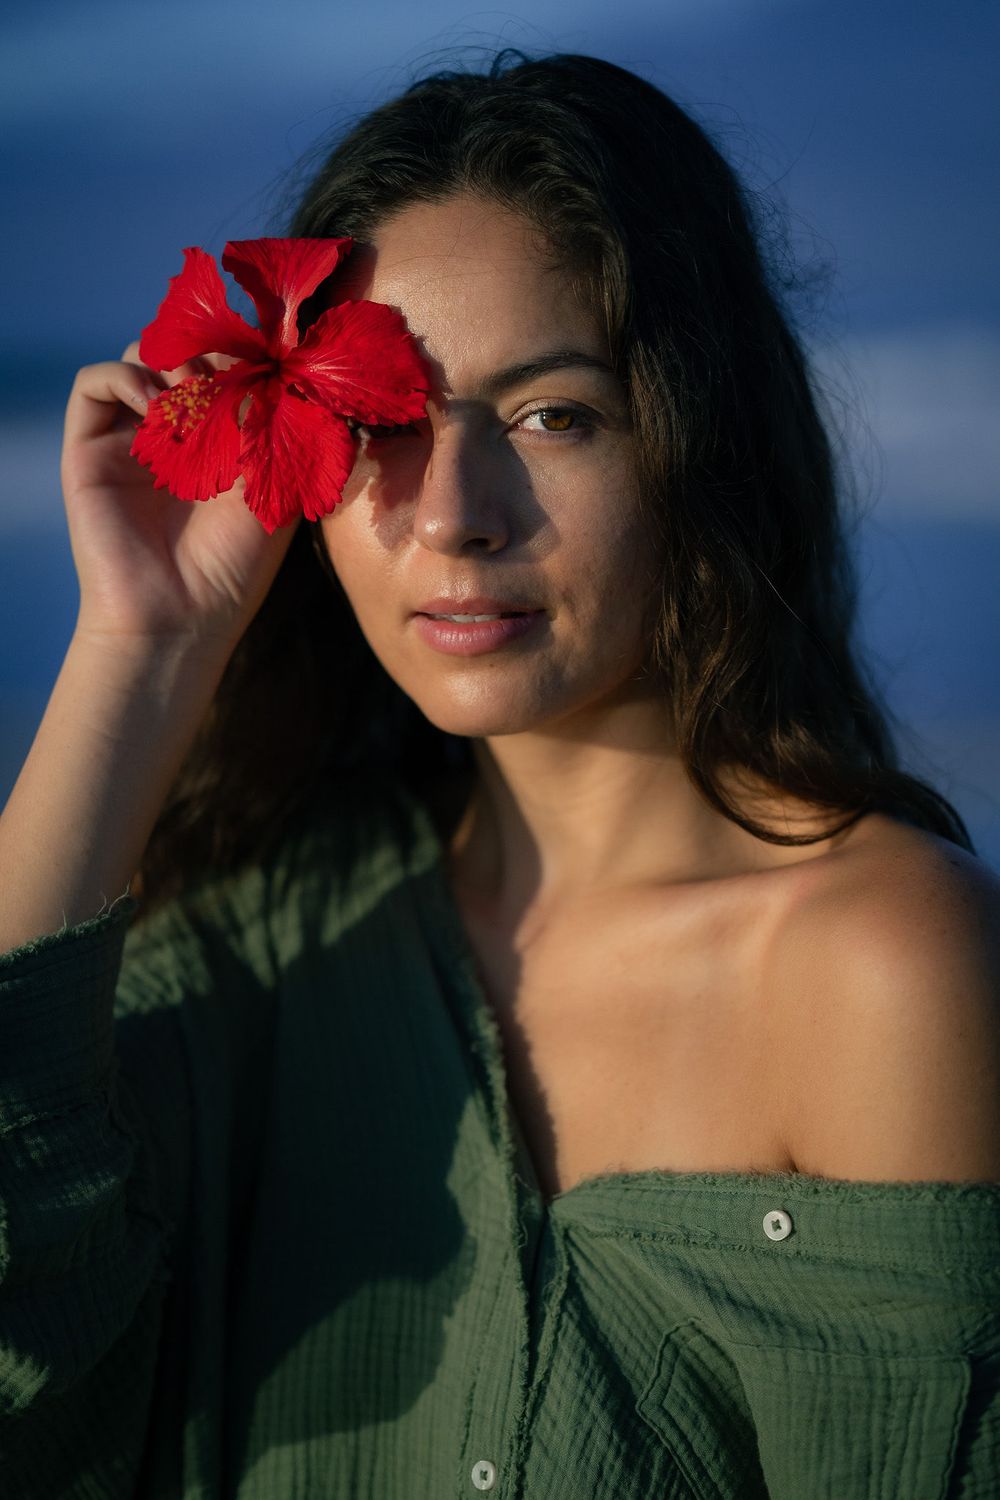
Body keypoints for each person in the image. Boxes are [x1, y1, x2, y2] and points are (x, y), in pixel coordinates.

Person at [1, 50, 998, 1499]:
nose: (455, 516)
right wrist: (139, 648)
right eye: (386, 421)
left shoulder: (879, 966)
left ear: (694, 437)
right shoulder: (264, 943)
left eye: (555, 416)